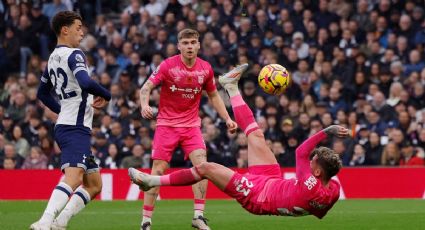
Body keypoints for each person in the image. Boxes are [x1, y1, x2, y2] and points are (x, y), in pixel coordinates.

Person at [130, 64, 349, 220]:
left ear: (318, 173)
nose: (310, 163)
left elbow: (301, 152)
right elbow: (319, 213)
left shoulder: (310, 185)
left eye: (314, 163)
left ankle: (152, 182)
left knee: (206, 168)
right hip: (272, 180)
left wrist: (326, 131)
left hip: (258, 196)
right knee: (255, 134)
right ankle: (230, 86)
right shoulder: (334, 190)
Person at [138, 28, 238, 230]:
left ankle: (198, 217)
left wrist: (227, 117)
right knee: (158, 170)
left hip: (191, 126)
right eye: (185, 43)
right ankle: (146, 221)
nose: (190, 46)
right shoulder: (167, 66)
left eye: (193, 42)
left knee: (203, 167)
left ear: (199, 45)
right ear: (179, 46)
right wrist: (145, 105)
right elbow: (146, 87)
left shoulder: (205, 69)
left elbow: (214, 96)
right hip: (167, 124)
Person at [31, 11, 111, 230]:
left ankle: (60, 222)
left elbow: (42, 93)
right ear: (64, 30)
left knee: (94, 184)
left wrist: (62, 110)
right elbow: (85, 82)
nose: (82, 32)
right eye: (78, 27)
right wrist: (107, 94)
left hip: (71, 125)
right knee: (74, 178)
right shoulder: (74, 54)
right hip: (74, 127)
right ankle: (45, 221)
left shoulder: (53, 59)